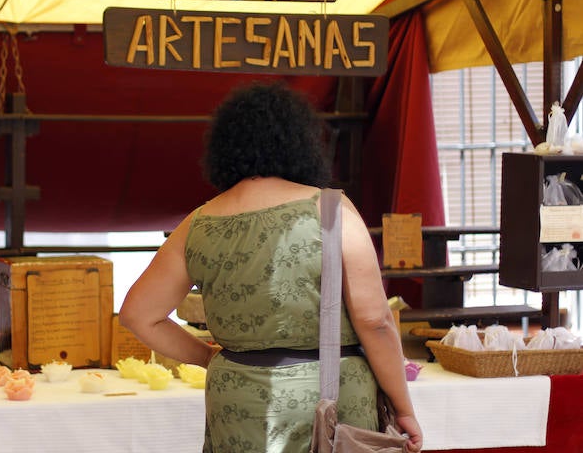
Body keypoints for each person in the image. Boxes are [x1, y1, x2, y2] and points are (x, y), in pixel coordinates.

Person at [119, 81, 423, 453]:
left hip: (236, 399)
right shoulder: (331, 209)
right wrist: (404, 409)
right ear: (300, 143)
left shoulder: (197, 224)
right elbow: (375, 320)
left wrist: (208, 356)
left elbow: (138, 315)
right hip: (329, 401)